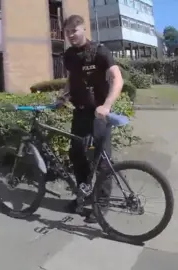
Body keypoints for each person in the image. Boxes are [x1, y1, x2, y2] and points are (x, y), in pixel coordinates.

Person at [57, 14, 124, 223]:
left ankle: (101, 205)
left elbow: (117, 78)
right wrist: (64, 95)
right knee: (76, 155)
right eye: (67, 32)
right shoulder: (69, 55)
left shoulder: (100, 52)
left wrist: (107, 105)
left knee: (102, 160)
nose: (71, 35)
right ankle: (83, 196)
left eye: (74, 31)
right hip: (79, 112)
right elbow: (73, 78)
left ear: (84, 30)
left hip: (98, 114)